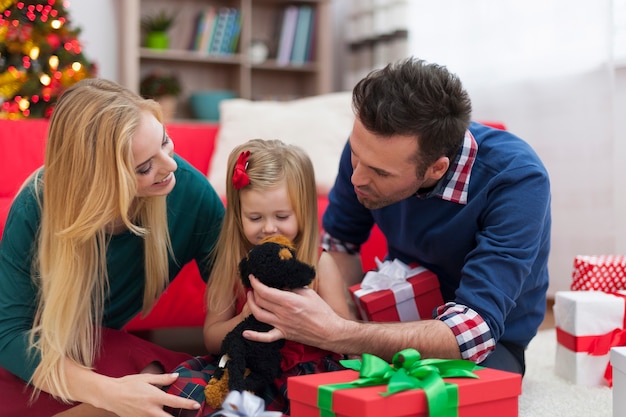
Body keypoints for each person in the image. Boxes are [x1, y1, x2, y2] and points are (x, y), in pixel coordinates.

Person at [243, 57, 551, 376]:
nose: (356, 178)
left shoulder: (516, 181)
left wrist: (337, 332)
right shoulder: (369, 154)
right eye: (355, 154)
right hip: (388, 317)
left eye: (379, 172)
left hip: (486, 344)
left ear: (436, 168)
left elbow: (473, 333)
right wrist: (340, 326)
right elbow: (339, 244)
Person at [0, 78, 225, 417]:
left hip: (107, 352)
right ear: (100, 181)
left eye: (165, 142)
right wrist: (108, 393)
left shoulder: (190, 193)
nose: (171, 166)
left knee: (172, 383)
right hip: (38, 359)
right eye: (145, 167)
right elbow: (10, 335)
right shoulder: (35, 206)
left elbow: (236, 290)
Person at [163, 139, 350, 416]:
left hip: (306, 373)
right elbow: (212, 338)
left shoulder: (318, 263)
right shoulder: (230, 265)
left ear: (304, 212)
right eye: (255, 217)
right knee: (183, 394)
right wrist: (245, 316)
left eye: (282, 216)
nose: (269, 227)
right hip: (244, 369)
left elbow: (345, 334)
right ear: (238, 216)